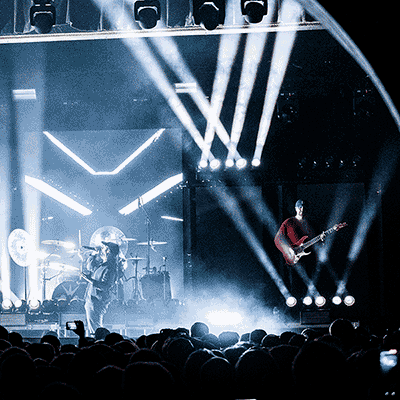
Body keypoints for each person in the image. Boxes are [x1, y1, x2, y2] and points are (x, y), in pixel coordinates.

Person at [81, 241, 124, 334]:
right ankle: (97, 339)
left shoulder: (110, 268)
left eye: (104, 248)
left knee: (96, 328)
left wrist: (89, 279)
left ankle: (99, 341)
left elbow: (105, 286)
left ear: (109, 252)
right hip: (92, 299)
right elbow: (90, 267)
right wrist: (93, 254)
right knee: (93, 326)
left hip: (97, 300)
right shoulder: (104, 265)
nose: (102, 249)